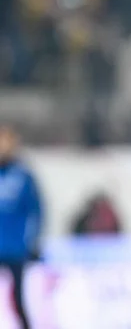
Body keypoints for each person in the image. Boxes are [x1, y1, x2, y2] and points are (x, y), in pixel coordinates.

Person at [0, 125, 43, 329]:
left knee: (18, 298)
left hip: (15, 248)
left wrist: (33, 241)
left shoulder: (23, 176)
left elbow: (36, 211)